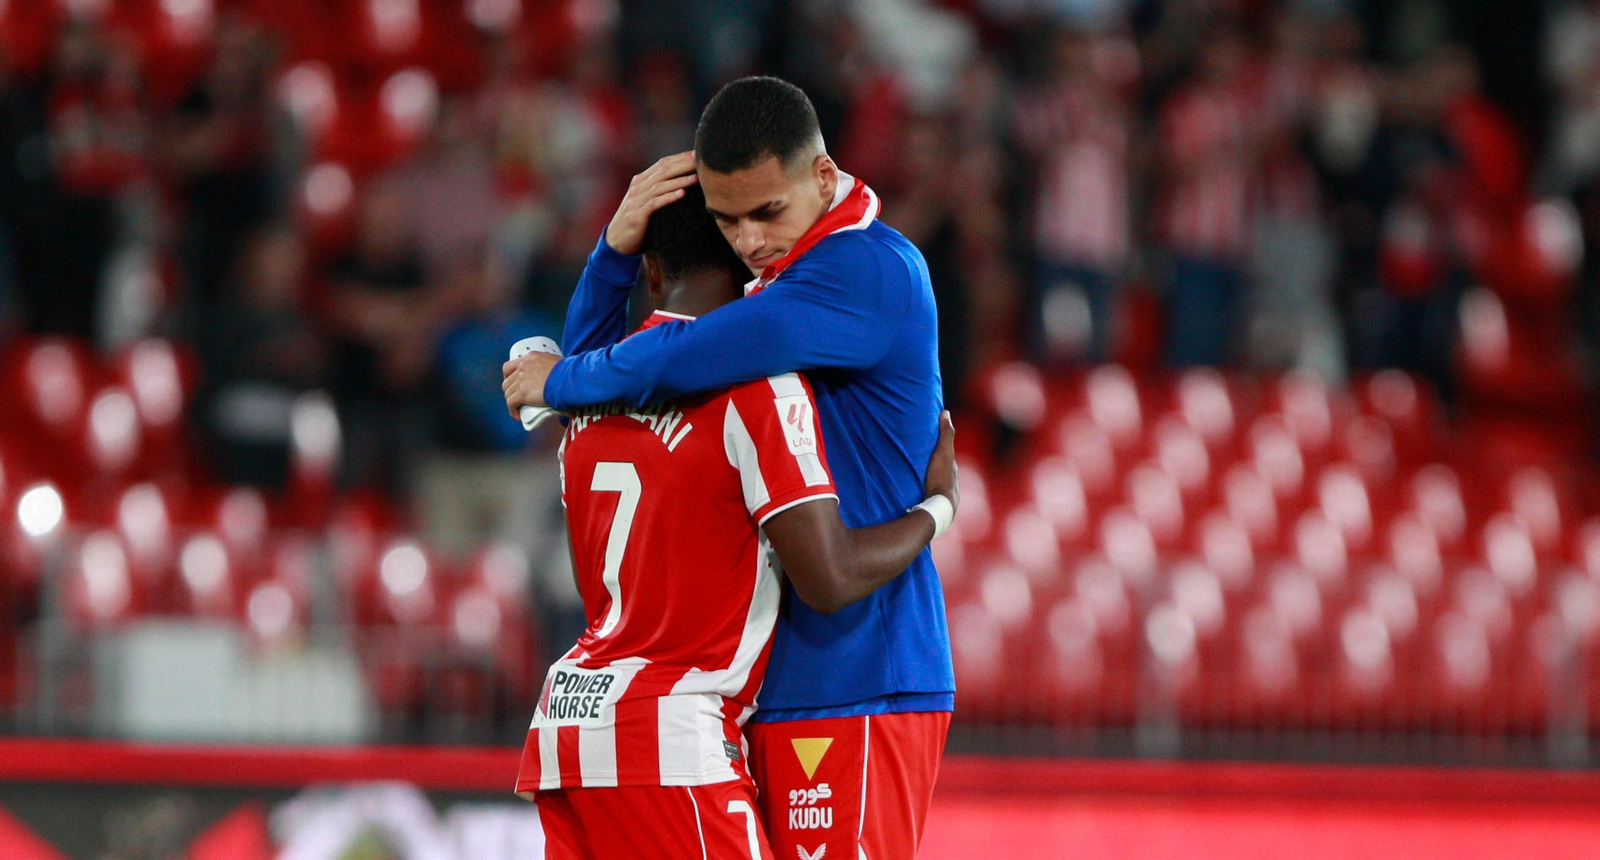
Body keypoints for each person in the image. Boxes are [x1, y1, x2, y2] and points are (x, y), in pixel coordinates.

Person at [504, 76, 953, 860]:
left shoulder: (866, 269)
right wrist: (612, 253)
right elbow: (632, 387)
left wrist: (562, 378)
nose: (748, 242)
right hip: (757, 681)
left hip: (860, 668)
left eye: (766, 212)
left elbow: (677, 353)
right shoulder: (773, 279)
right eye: (726, 220)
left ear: (823, 176)